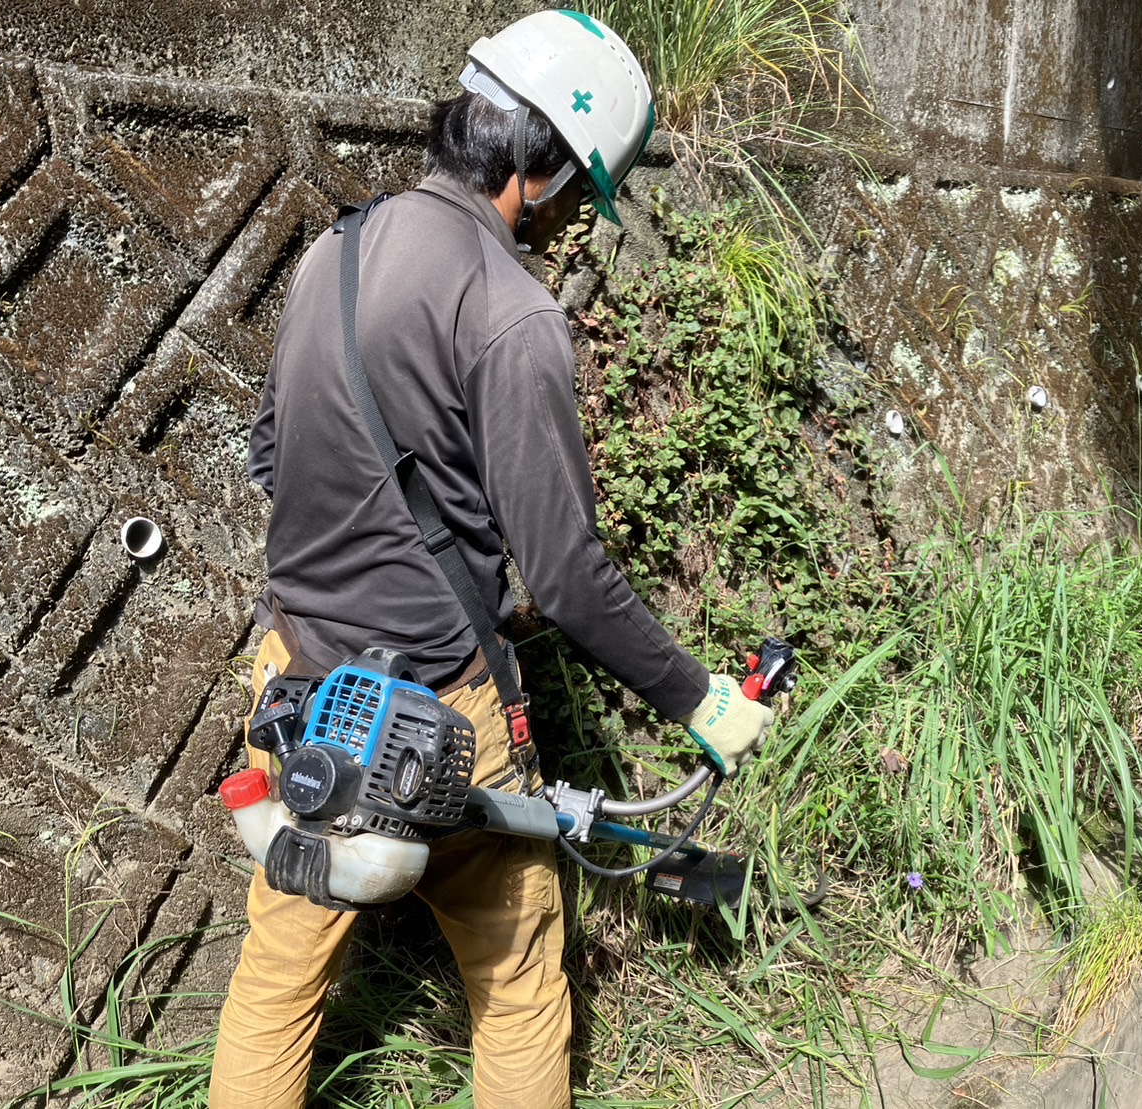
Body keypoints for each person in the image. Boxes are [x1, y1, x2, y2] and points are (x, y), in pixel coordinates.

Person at [209, 10, 774, 1108]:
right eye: (579, 194)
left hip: (296, 684)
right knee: (516, 984)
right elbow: (567, 574)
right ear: (537, 165)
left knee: (275, 980)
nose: (571, 222)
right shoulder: (513, 313)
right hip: (434, 710)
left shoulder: (336, 252)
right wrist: (699, 698)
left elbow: (271, 456)